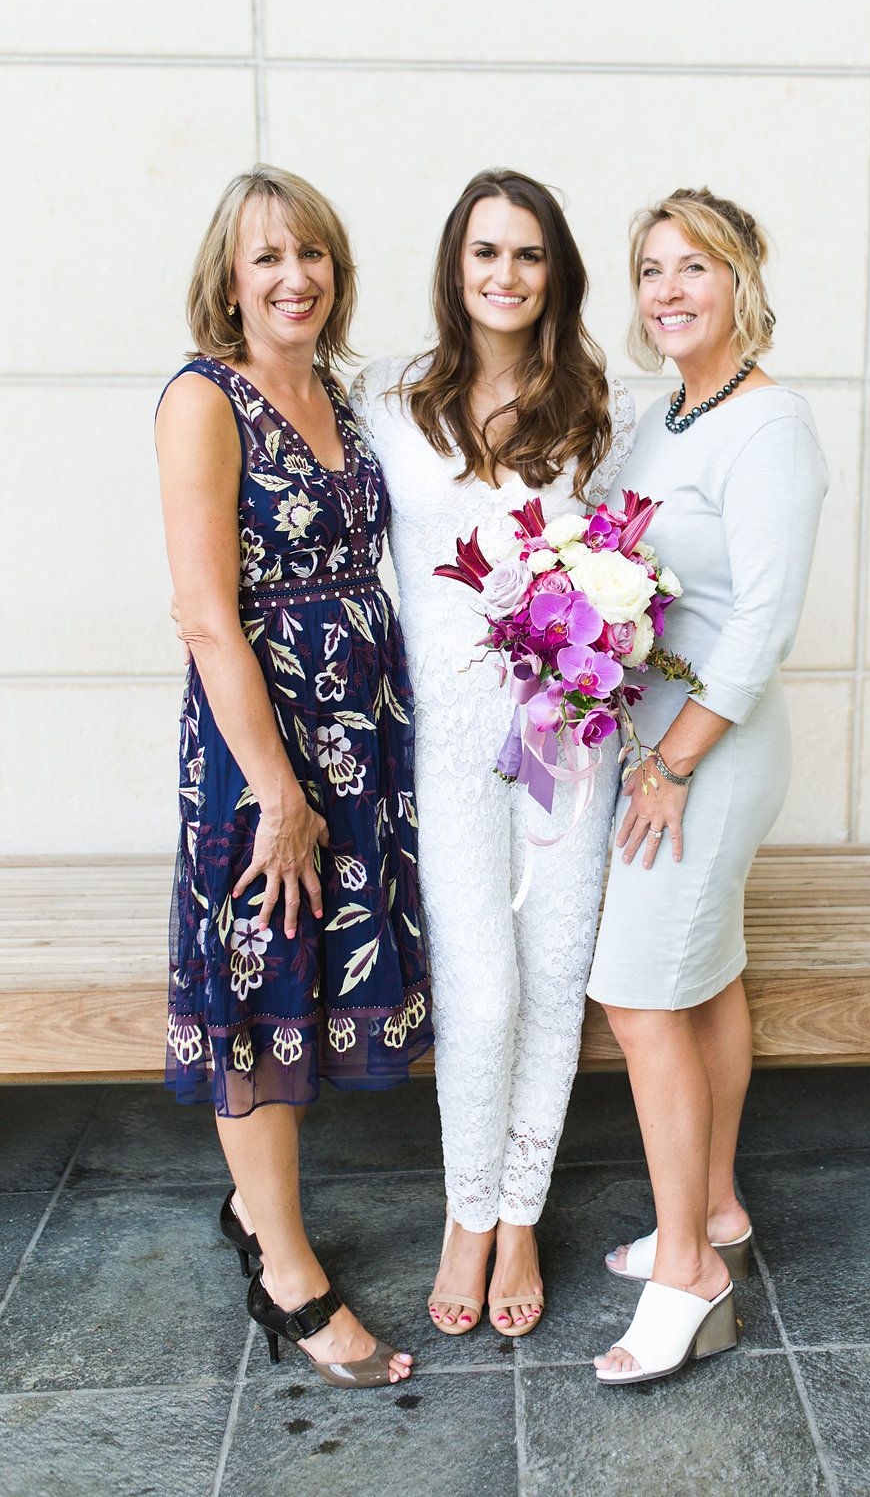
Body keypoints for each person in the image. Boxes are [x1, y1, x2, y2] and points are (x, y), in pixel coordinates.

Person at [155, 165, 431, 1388]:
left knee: (312, 972)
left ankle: (254, 1215)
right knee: (263, 981)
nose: (294, 275)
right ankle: (289, 1277)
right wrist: (276, 787)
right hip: (264, 745)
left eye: (312, 253)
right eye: (267, 255)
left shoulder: (336, 393)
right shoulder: (203, 401)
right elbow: (208, 616)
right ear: (229, 276)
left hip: (359, 737)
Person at [348, 169, 635, 1336]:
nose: (505, 275)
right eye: (485, 253)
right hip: (447, 738)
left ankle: (522, 1210)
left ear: (553, 272)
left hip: (567, 741)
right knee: (481, 985)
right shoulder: (390, 401)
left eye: (527, 254)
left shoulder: (590, 410)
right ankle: (466, 1210)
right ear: (454, 268)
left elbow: (624, 564)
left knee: (553, 974)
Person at [587, 188, 827, 1384]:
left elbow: (763, 621)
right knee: (705, 974)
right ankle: (717, 1203)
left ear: (741, 279)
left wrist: (675, 759)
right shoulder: (661, 415)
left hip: (712, 748)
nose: (669, 289)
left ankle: (688, 1269)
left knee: (638, 1000)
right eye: (649, 269)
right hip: (658, 730)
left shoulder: (767, 427)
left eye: (694, 266)